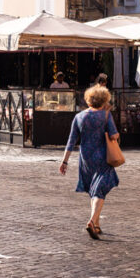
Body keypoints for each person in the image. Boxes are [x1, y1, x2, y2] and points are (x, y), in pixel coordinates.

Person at [59, 85, 120, 239]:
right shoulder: (106, 115)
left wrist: (64, 162)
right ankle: (92, 221)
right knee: (99, 190)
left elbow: (71, 141)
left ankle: (97, 224)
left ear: (88, 100)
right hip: (102, 157)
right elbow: (114, 135)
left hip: (85, 157)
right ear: (104, 100)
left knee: (93, 189)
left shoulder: (79, 117)